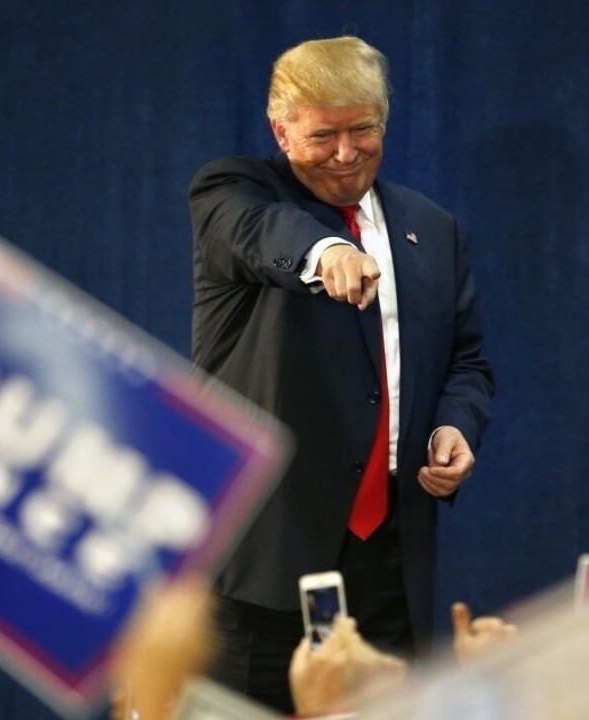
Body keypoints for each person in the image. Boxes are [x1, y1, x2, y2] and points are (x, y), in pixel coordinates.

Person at [189, 35, 495, 712]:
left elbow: (466, 360)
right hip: (265, 558)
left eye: (363, 130)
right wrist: (327, 250)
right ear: (282, 131)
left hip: (390, 560)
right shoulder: (231, 192)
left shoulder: (432, 228)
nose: (346, 153)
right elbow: (260, 232)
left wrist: (454, 426)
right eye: (323, 135)